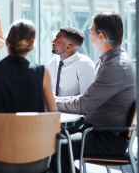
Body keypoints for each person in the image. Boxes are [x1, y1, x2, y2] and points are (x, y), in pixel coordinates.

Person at [52, 12, 136, 172]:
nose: (89, 33)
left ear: (101, 36)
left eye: (91, 31)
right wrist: (56, 99)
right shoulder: (109, 60)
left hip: (106, 138)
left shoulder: (114, 66)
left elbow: (85, 105)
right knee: (50, 139)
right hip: (95, 130)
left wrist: (52, 102)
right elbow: (87, 98)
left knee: (53, 148)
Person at [0, 19, 57, 173]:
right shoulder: (42, 73)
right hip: (35, 161)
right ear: (31, 46)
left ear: (6, 41)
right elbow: (53, 118)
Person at [47, 26, 95, 97]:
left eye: (57, 39)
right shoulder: (52, 62)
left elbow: (87, 100)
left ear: (68, 47)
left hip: (72, 108)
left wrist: (58, 102)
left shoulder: (85, 65)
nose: (53, 41)